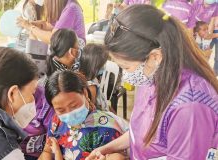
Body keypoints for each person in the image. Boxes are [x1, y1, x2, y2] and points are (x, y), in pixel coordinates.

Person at [86, 4, 218, 160]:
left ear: (155, 56)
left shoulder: (190, 107)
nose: (124, 76)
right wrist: (107, 148)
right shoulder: (151, 77)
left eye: (126, 67)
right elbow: (141, 133)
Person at [39, 70, 128, 160]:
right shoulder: (56, 121)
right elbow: (47, 151)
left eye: (74, 106)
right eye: (60, 110)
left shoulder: (106, 131)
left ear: (85, 93)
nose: (69, 113)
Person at [17, 0, 86, 48]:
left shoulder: (70, 9)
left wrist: (30, 27)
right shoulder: (67, 5)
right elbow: (53, 27)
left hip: (74, 54)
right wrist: (39, 25)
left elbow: (53, 39)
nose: (45, 2)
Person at [79, 44, 109, 111]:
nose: (104, 67)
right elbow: (92, 110)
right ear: (94, 67)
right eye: (102, 65)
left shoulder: (90, 77)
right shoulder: (91, 87)